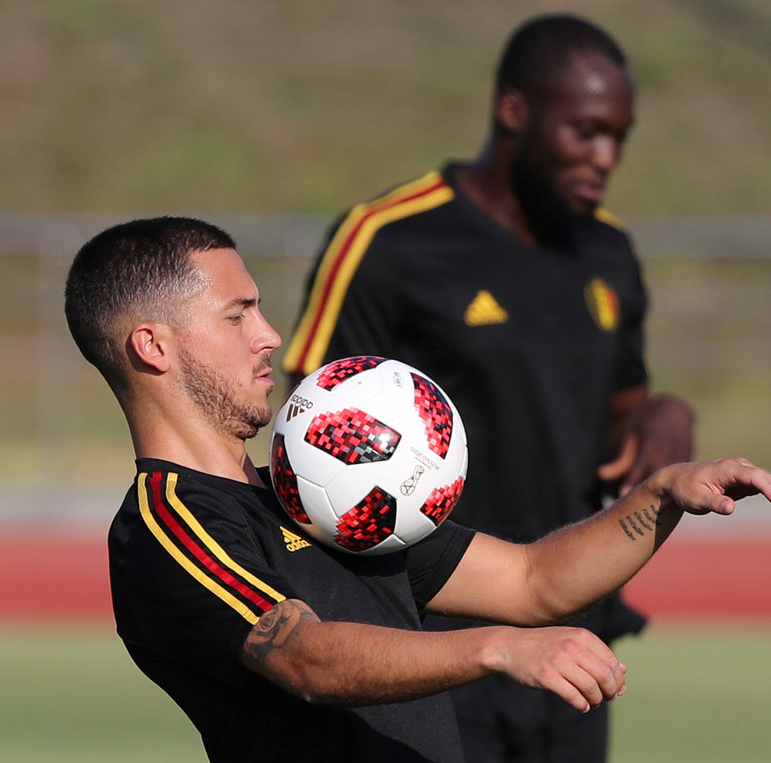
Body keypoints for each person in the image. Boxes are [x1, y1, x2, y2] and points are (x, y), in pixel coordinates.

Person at [64, 215, 771, 763]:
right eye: (238, 314)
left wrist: (662, 494)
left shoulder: (325, 495)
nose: (270, 335)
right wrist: (497, 651)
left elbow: (533, 582)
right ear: (152, 345)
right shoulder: (169, 524)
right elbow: (306, 658)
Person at [283, 14, 693, 760]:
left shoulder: (610, 252)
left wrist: (667, 417)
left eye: (620, 137)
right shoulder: (387, 239)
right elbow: (308, 435)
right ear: (515, 112)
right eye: (586, 132)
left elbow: (616, 427)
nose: (606, 157)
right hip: (434, 641)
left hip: (572, 639)